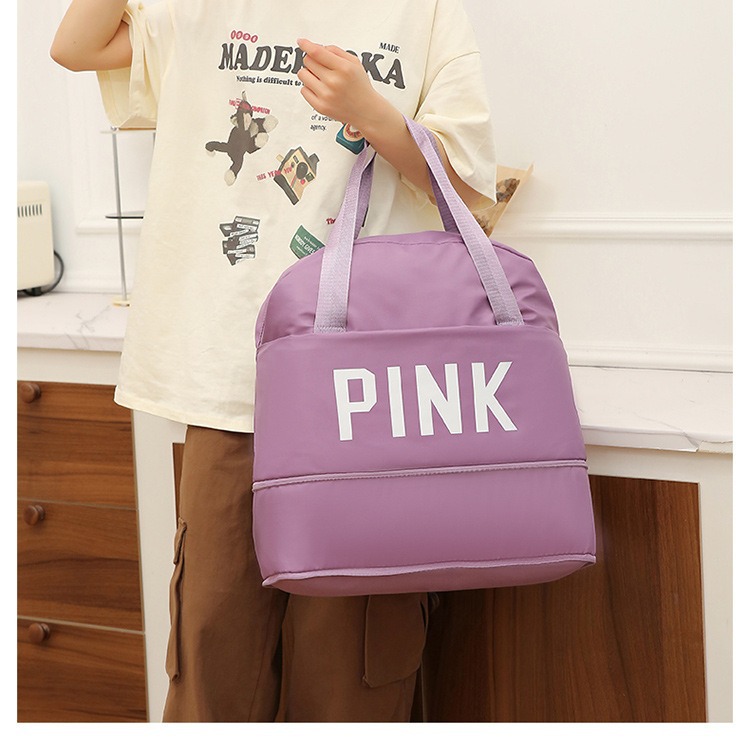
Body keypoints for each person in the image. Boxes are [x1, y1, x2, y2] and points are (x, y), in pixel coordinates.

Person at [51, 0, 497, 722]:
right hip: (231, 383)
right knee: (213, 665)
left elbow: (469, 184)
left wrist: (370, 113)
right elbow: (76, 45)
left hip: (366, 395)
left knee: (349, 681)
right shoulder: (197, 10)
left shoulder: (423, 11)